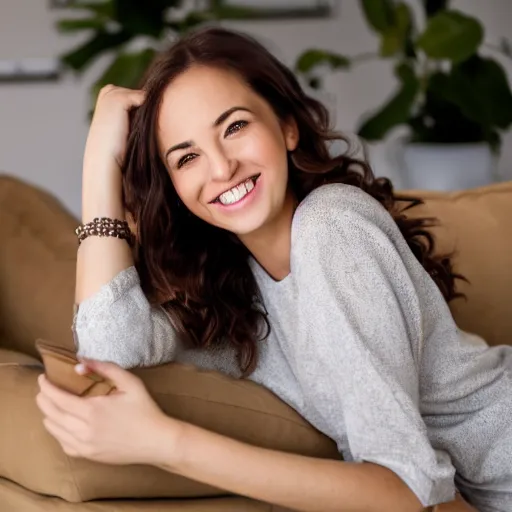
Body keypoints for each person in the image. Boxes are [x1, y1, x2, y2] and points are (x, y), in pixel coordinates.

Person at [36, 27, 511, 512]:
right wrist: (99, 167)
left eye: (235, 127)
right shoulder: (232, 292)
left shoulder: (332, 227)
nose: (221, 169)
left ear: (287, 126)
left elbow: (406, 492)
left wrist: (165, 443)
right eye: (188, 157)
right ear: (174, 186)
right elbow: (107, 354)